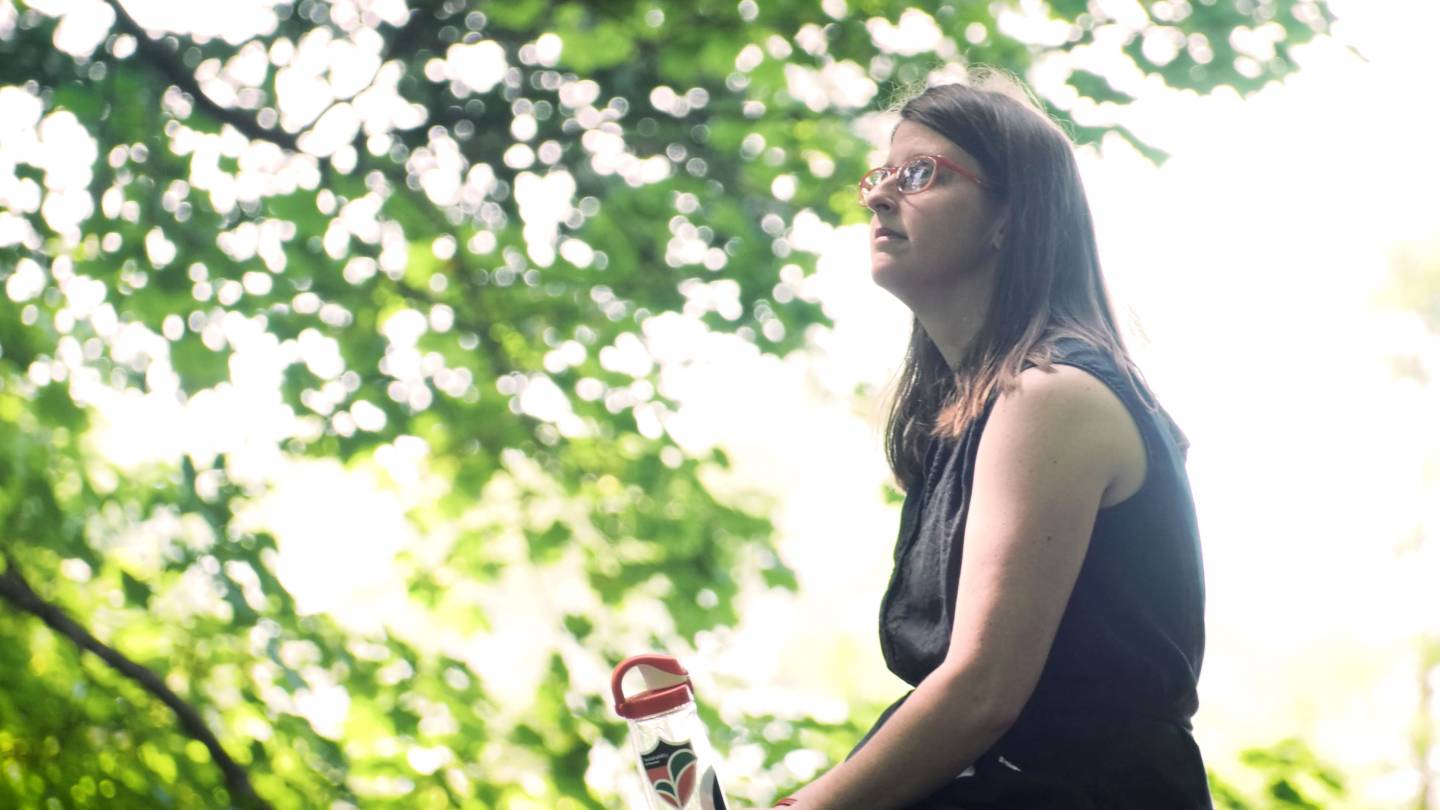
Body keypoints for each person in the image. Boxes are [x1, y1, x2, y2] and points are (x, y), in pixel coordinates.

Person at [755, 70, 1211, 809]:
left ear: (1009, 217)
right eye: (881, 174)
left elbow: (981, 692)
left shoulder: (1053, 397)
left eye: (920, 174)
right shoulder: (981, 413)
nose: (876, 194)